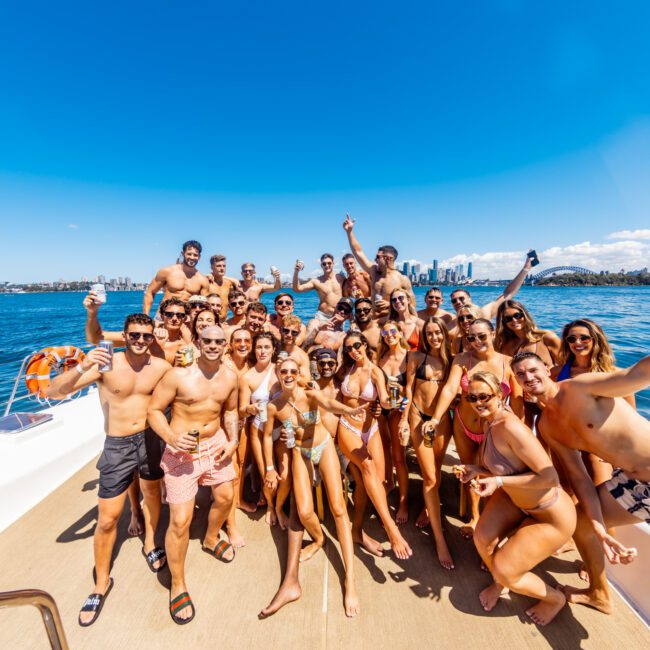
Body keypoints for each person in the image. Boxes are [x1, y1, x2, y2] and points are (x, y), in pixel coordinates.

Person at [46, 314, 171, 626]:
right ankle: (101, 582)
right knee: (107, 519)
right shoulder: (106, 363)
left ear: (153, 336)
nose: (140, 341)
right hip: (117, 444)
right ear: (124, 336)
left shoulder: (161, 367)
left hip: (150, 439)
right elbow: (54, 392)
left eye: (146, 336)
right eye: (134, 335)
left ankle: (151, 542)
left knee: (152, 494)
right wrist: (82, 366)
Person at [510, 351, 650, 615]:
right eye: (520, 374)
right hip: (633, 484)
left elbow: (638, 375)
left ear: (547, 368)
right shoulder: (548, 426)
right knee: (583, 523)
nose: (528, 377)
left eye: (532, 369)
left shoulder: (581, 386)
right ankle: (599, 594)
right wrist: (600, 528)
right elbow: (579, 478)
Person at [457, 371, 576, 626]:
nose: (478, 402)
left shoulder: (510, 426)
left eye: (484, 396)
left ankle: (554, 598)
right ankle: (502, 582)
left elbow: (550, 477)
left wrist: (498, 482)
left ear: (500, 395)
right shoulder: (488, 421)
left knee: (504, 569)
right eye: (472, 397)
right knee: (482, 538)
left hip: (550, 514)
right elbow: (507, 468)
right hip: (518, 500)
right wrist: (476, 471)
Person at [147, 325, 239, 625]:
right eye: (207, 341)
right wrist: (172, 438)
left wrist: (233, 440)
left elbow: (230, 412)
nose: (213, 345)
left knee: (226, 498)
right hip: (181, 449)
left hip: (215, 445)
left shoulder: (230, 376)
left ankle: (211, 537)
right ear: (199, 342)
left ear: (225, 345)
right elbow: (154, 411)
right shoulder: (177, 376)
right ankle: (178, 584)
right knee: (180, 521)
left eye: (218, 342)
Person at [264, 358, 363, 616]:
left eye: (292, 371)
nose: (288, 374)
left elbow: (328, 403)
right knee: (306, 512)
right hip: (300, 453)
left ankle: (350, 580)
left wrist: (348, 410)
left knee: (338, 508)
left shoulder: (310, 394)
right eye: (283, 371)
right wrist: (269, 467)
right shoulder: (275, 406)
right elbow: (266, 437)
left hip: (323, 446)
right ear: (277, 374)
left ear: (298, 374)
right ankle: (319, 539)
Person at [426, 318, 523, 539]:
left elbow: (517, 401)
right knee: (469, 471)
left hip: (494, 431)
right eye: (471, 337)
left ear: (493, 335)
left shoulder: (508, 362)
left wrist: (519, 432)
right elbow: (450, 389)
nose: (476, 341)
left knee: (491, 474)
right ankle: (475, 516)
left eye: (481, 336)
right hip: (464, 426)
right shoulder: (462, 359)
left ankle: (492, 520)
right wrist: (435, 418)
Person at [336, 331, 413, 559]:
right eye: (348, 348)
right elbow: (336, 396)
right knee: (367, 467)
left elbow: (386, 399)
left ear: (365, 345)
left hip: (372, 429)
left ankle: (358, 531)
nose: (354, 351)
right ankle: (392, 530)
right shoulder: (344, 370)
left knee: (378, 482)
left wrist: (393, 403)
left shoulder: (375, 371)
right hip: (348, 427)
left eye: (357, 345)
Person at [401, 316, 455, 569]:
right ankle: (440, 538)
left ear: (444, 334)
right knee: (430, 475)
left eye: (438, 333)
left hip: (441, 420)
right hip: (417, 415)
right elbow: (408, 390)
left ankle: (427, 505)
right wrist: (403, 419)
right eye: (430, 333)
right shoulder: (415, 358)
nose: (434, 337)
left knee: (437, 466)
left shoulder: (451, 360)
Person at [239, 332, 287, 526]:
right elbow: (242, 410)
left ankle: (280, 506)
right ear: (254, 349)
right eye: (259, 347)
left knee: (284, 472)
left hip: (280, 429)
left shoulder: (281, 370)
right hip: (258, 430)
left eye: (267, 347)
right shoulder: (247, 377)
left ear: (274, 349)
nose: (262, 351)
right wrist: (249, 408)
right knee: (266, 472)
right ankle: (270, 506)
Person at [85, 292, 191, 365]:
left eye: (179, 315)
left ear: (184, 318)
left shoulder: (187, 343)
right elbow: (95, 338)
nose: (174, 318)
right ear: (162, 316)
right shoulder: (143, 336)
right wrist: (92, 313)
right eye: (169, 314)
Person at [342, 214, 414, 317]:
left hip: (391, 323)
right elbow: (358, 252)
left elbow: (412, 305)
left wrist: (390, 304)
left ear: (388, 258)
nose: (375, 259)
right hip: (374, 321)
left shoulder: (402, 279)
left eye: (378, 257)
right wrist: (349, 232)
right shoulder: (373, 271)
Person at [223, 328, 257, 548]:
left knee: (243, 462)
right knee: (231, 470)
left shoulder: (252, 364)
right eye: (238, 340)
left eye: (247, 340)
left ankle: (238, 500)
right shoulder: (223, 363)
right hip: (224, 421)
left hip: (244, 420)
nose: (243, 344)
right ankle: (229, 524)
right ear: (231, 343)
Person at [377, 321, 410, 524]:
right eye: (385, 331)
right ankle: (389, 484)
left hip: (400, 411)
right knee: (384, 454)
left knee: (399, 458)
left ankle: (404, 502)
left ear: (399, 333)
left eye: (392, 331)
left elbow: (412, 387)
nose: (389, 334)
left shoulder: (409, 356)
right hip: (383, 412)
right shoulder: (380, 358)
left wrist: (405, 415)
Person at [447, 252, 534, 327]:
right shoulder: (453, 324)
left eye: (461, 298)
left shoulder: (483, 313)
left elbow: (508, 293)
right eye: (454, 301)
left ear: (469, 298)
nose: (457, 302)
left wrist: (526, 268)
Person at [143, 240, 209, 316]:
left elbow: (204, 304)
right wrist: (146, 316)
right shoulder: (167, 271)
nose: (192, 257)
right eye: (189, 254)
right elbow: (150, 292)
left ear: (199, 257)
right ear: (183, 254)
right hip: (164, 316)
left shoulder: (202, 280)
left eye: (195, 255)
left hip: (185, 318)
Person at [494, 300, 561, 366]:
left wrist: (545, 372)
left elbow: (567, 367)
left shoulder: (547, 337)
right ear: (502, 322)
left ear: (524, 315)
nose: (514, 320)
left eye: (517, 315)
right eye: (508, 318)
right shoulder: (501, 345)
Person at [292, 253, 344, 319]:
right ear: (321, 265)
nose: (327, 265)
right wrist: (296, 272)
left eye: (329, 263)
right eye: (324, 264)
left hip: (338, 316)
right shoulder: (316, 281)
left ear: (333, 263)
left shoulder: (341, 278)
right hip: (322, 316)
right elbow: (297, 289)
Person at [205, 254, 241, 322]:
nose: (222, 268)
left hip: (223, 322)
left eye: (224, 266)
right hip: (209, 321)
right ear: (212, 267)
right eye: (218, 266)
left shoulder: (229, 284)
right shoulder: (207, 282)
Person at [278, 315, 311, 381]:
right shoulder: (273, 348)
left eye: (294, 332)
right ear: (280, 330)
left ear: (299, 333)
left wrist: (291, 372)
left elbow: (306, 381)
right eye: (286, 331)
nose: (289, 335)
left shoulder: (301, 356)